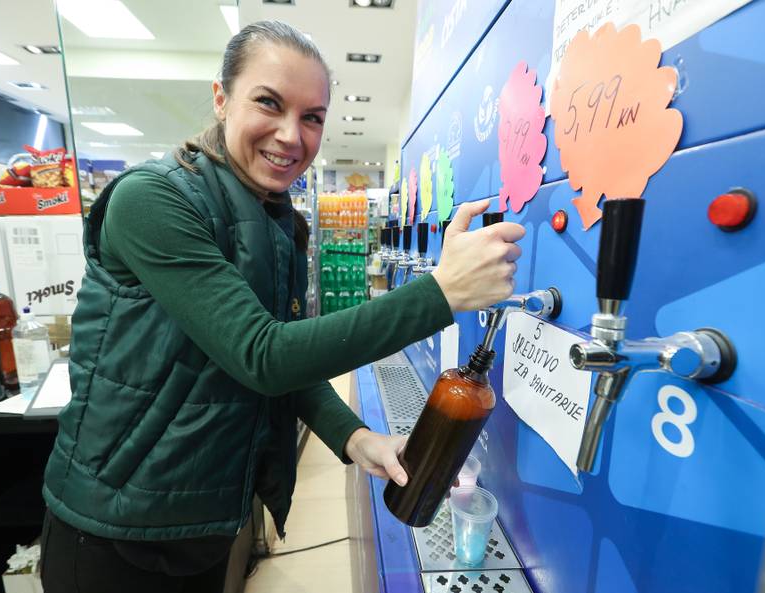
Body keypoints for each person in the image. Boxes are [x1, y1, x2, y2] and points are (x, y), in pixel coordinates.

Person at [39, 20, 524, 592]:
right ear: (221, 99)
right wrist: (440, 292)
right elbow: (261, 355)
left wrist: (352, 435)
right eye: (268, 103)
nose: (291, 135)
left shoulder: (272, 219)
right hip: (115, 528)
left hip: (204, 513)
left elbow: (283, 362)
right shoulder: (153, 199)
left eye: (312, 116)